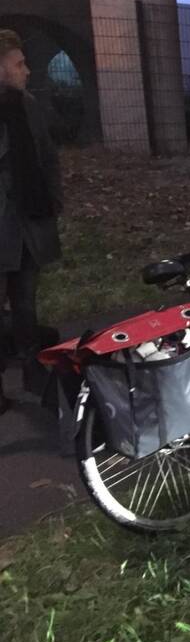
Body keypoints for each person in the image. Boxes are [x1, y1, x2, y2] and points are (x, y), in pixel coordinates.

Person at [0, 30, 63, 415]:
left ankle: (35, 380)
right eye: (19, 64)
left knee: (26, 304)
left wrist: (53, 202)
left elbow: (48, 157)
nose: (27, 70)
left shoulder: (30, 106)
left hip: (29, 220)